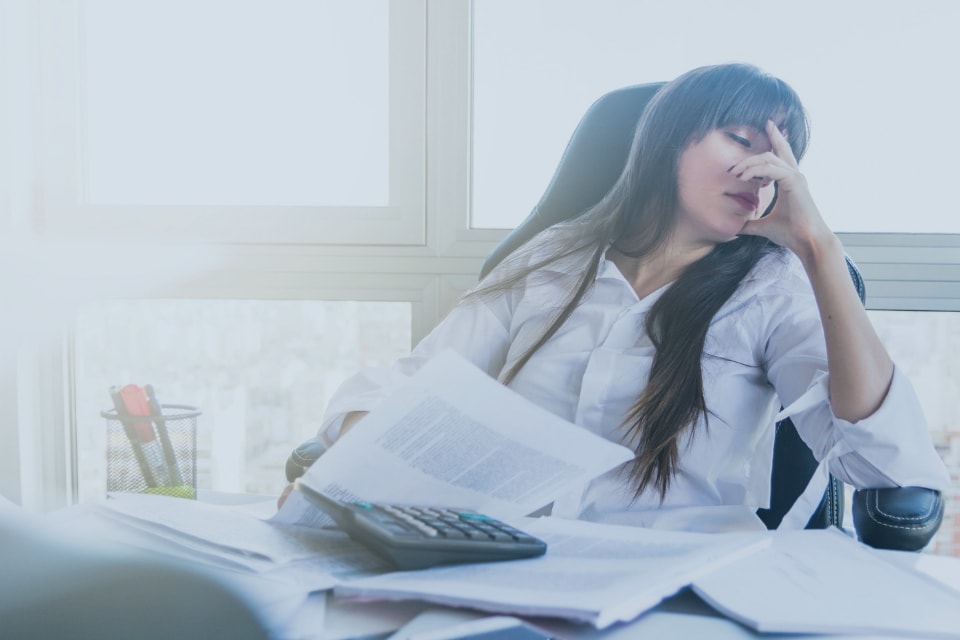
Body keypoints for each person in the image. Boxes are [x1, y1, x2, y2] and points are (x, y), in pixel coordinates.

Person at [284, 63, 949, 531]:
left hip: (679, 584)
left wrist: (818, 247)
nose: (759, 170)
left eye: (779, 157)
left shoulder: (772, 286)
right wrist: (350, 476)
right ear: (669, 139)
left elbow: (883, 461)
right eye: (740, 139)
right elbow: (410, 384)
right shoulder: (552, 258)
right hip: (506, 560)